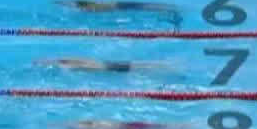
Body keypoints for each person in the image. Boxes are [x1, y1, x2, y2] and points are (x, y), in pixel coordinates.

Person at [35, 57, 168, 71]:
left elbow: (65, 64)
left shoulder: (72, 66)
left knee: (140, 68)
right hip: (108, 63)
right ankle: (164, 65)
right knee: (140, 65)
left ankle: (164, 66)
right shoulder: (77, 61)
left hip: (108, 68)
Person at [55, 0, 177, 14]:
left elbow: (73, 4)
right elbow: (74, 3)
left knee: (146, 7)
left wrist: (60, 3)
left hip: (120, 7)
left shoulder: (91, 8)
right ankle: (168, 7)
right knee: (146, 6)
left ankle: (168, 8)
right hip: (119, 4)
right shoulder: (93, 5)